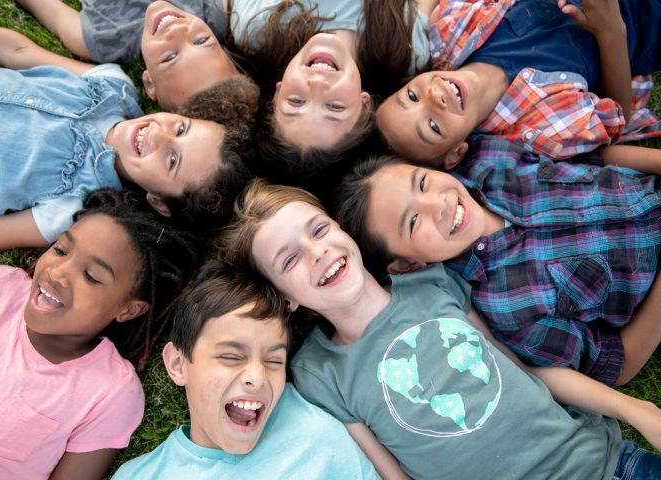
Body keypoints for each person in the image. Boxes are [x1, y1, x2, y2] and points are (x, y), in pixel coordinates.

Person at [216, 179, 661, 479]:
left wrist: (636, 410)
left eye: (319, 229)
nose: (317, 252)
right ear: (286, 299)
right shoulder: (317, 371)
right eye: (289, 260)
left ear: (342, 230)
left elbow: (524, 372)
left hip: (602, 467)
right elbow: (393, 473)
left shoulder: (432, 283)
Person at [334, 137, 661, 387]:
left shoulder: (489, 156)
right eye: (414, 221)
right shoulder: (508, 310)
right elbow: (618, 364)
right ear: (407, 265)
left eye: (422, 182)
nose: (439, 204)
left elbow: (592, 155)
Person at [0, 11, 256, 263]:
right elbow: (20, 52)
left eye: (172, 160)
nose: (159, 136)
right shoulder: (110, 87)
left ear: (158, 202)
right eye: (180, 128)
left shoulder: (70, 207)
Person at [0, 189, 201, 479]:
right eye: (61, 250)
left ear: (129, 309)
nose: (58, 273)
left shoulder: (110, 393)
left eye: (91, 276)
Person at [112, 260, 380, 479]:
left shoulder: (319, 435)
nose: (257, 376)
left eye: (274, 361)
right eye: (231, 356)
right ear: (178, 364)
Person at [376, 0, 661, 168]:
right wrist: (611, 29)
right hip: (646, 23)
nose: (434, 98)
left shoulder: (448, 35)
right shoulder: (539, 129)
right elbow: (616, 117)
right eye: (433, 127)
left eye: (412, 96)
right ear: (455, 153)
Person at [228, 0, 435, 193]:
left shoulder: (258, 28)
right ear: (364, 104)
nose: (317, 84)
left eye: (295, 101)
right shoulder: (405, 52)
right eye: (335, 107)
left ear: (278, 92)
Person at [7, 0, 241, 111]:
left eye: (170, 57)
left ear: (149, 83)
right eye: (201, 42)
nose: (178, 32)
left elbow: (48, 10)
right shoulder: (217, 11)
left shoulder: (102, 39)